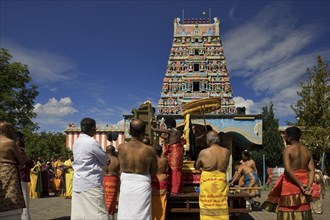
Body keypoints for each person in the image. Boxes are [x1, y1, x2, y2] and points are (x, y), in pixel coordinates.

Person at [262, 126, 315, 219]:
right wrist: (309, 187)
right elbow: (311, 170)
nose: (284, 138)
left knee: (288, 209)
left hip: (290, 185)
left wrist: (300, 185)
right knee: (303, 208)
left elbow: (288, 169)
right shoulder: (307, 150)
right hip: (305, 185)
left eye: (285, 136)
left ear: (290, 138)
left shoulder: (288, 149)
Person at [118, 119, 158, 220]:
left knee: (125, 213)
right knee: (142, 215)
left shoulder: (121, 148)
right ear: (144, 131)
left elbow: (120, 168)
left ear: (129, 131)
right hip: (142, 185)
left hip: (126, 184)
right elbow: (153, 172)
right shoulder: (149, 150)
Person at [71, 118, 109, 219]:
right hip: (91, 183)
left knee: (80, 215)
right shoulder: (92, 142)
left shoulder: (76, 142)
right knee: (99, 214)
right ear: (92, 128)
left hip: (78, 182)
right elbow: (105, 160)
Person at [196, 131, 230, 220]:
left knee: (207, 203)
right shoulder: (226, 152)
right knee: (221, 202)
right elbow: (225, 166)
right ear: (218, 140)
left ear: (208, 141)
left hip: (207, 181)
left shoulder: (203, 152)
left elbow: (197, 166)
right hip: (221, 180)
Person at [0, 122, 26, 219]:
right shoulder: (10, 142)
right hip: (8, 170)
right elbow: (21, 161)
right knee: (11, 192)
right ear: (7, 130)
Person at [152, 116, 184, 195]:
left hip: (175, 151)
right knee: (172, 169)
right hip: (174, 151)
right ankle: (173, 189)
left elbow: (161, 130)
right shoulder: (175, 132)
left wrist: (152, 127)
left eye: (166, 124)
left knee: (174, 170)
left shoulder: (173, 131)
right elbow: (164, 136)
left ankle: (175, 190)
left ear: (169, 124)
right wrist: (159, 133)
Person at [16, 132, 34, 220]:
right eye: (23, 139)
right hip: (21, 178)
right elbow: (29, 163)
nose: (24, 141)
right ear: (18, 140)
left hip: (18, 177)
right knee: (25, 203)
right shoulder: (18, 150)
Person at [151, 145, 168, 220]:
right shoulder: (165, 159)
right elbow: (167, 170)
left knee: (153, 202)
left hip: (154, 180)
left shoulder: (152, 159)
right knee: (162, 201)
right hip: (163, 180)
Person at [103, 145, 120, 219]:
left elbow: (102, 170)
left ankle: (105, 215)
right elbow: (120, 171)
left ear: (106, 151)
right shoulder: (117, 160)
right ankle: (112, 215)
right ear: (113, 151)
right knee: (112, 199)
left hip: (104, 180)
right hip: (114, 180)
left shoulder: (103, 159)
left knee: (104, 198)